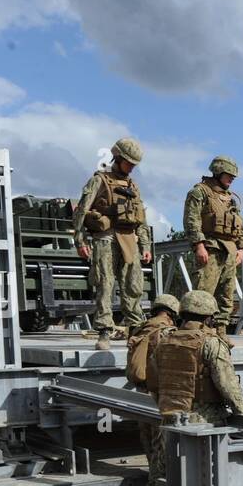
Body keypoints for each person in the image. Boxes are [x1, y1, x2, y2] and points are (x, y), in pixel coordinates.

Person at [74, 137, 152, 350]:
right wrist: (80, 240)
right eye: (128, 163)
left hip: (128, 240)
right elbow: (81, 211)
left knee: (133, 286)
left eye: (134, 165)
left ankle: (135, 330)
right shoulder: (99, 180)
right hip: (105, 238)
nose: (131, 168)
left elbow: (141, 218)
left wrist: (145, 246)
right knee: (104, 284)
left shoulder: (133, 186)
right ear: (117, 158)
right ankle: (104, 332)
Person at [146, 290, 243, 431]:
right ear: (208, 317)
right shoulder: (211, 343)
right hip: (204, 421)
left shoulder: (165, 342)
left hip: (170, 418)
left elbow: (153, 382)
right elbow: (226, 383)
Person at [126, 294, 180, 486]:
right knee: (162, 448)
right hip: (161, 395)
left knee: (148, 442)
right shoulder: (167, 332)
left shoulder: (140, 328)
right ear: (171, 312)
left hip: (142, 393)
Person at [183, 156, 243, 332]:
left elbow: (240, 225)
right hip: (210, 249)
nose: (232, 179)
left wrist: (242, 248)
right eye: (229, 175)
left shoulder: (230, 199)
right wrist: (199, 245)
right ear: (218, 172)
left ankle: (221, 331)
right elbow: (191, 220)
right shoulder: (200, 192)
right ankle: (198, 332)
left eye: (233, 177)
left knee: (226, 296)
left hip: (230, 252)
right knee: (203, 295)